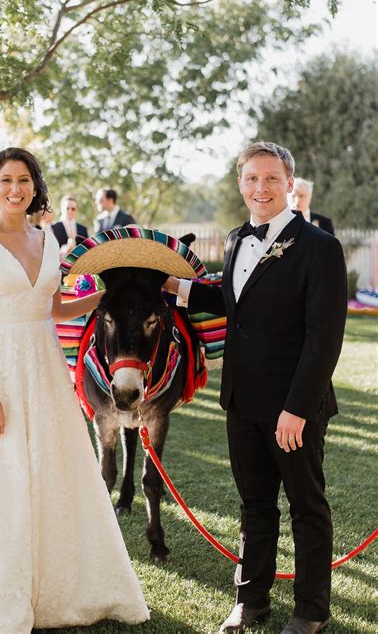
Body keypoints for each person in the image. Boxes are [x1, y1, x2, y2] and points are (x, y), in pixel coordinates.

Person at [0, 147, 149, 632]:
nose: (15, 189)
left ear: (35, 187)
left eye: (24, 180)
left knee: (51, 471)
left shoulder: (48, 239)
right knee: (0, 473)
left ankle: (59, 584)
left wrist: (107, 297)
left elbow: (52, 309)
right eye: (5, 180)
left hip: (44, 370)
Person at [164, 141, 347, 634]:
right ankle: (251, 601)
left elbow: (324, 338)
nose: (261, 188)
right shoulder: (235, 239)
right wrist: (173, 287)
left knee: (306, 507)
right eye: (251, 179)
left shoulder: (320, 248)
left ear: (290, 184)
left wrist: (297, 408)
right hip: (241, 400)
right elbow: (230, 298)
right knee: (254, 505)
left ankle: (311, 611)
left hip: (294, 407)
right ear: (240, 183)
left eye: (271, 179)